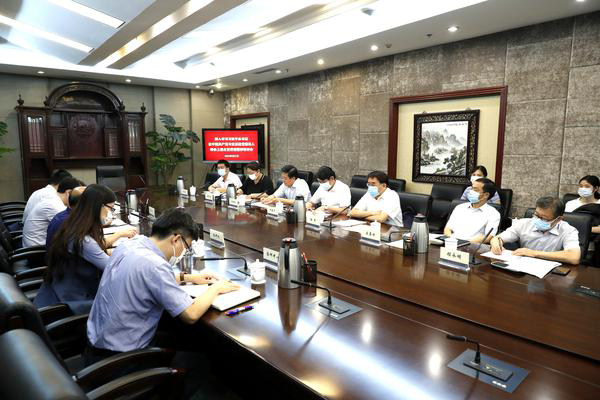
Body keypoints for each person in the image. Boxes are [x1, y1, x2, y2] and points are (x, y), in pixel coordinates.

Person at [86, 208, 239, 362]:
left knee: (181, 338)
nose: (184, 252)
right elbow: (191, 315)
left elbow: (146, 278)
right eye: (187, 247)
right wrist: (216, 288)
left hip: (98, 344)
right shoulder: (155, 265)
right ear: (176, 239)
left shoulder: (131, 244)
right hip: (121, 359)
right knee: (201, 360)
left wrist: (187, 277)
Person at [34, 184, 137, 314]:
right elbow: (113, 268)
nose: (110, 213)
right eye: (110, 208)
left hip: (60, 290)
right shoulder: (82, 239)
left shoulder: (73, 224)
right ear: (99, 206)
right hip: (73, 301)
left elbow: (93, 252)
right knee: (131, 303)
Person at [490, 196, 580, 265]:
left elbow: (574, 257)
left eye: (544, 218)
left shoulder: (568, 230)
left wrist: (534, 253)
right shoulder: (524, 223)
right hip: (523, 266)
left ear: (558, 219)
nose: (538, 220)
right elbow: (498, 238)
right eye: (536, 215)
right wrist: (495, 243)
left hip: (550, 272)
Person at [22, 177, 82, 247]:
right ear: (68, 193)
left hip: (35, 244)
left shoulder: (53, 199)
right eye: (76, 197)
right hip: (37, 249)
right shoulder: (54, 205)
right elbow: (72, 227)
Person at [444, 178, 500, 243]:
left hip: (471, 245)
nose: (471, 191)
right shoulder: (460, 207)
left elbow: (488, 237)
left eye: (475, 190)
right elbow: (448, 229)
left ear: (486, 195)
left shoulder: (493, 214)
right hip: (451, 242)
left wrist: (464, 243)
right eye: (471, 188)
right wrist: (450, 240)